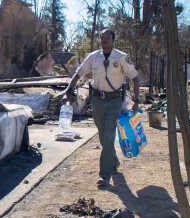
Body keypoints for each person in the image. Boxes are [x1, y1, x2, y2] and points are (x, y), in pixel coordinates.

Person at [60, 29, 140, 187]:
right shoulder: (93, 57)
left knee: (109, 136)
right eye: (102, 37)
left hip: (114, 101)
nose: (104, 40)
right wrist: (68, 91)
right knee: (103, 135)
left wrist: (136, 101)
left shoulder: (122, 57)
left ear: (113, 39)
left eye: (108, 37)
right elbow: (78, 73)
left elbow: (135, 78)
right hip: (97, 100)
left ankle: (105, 175)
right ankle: (113, 161)